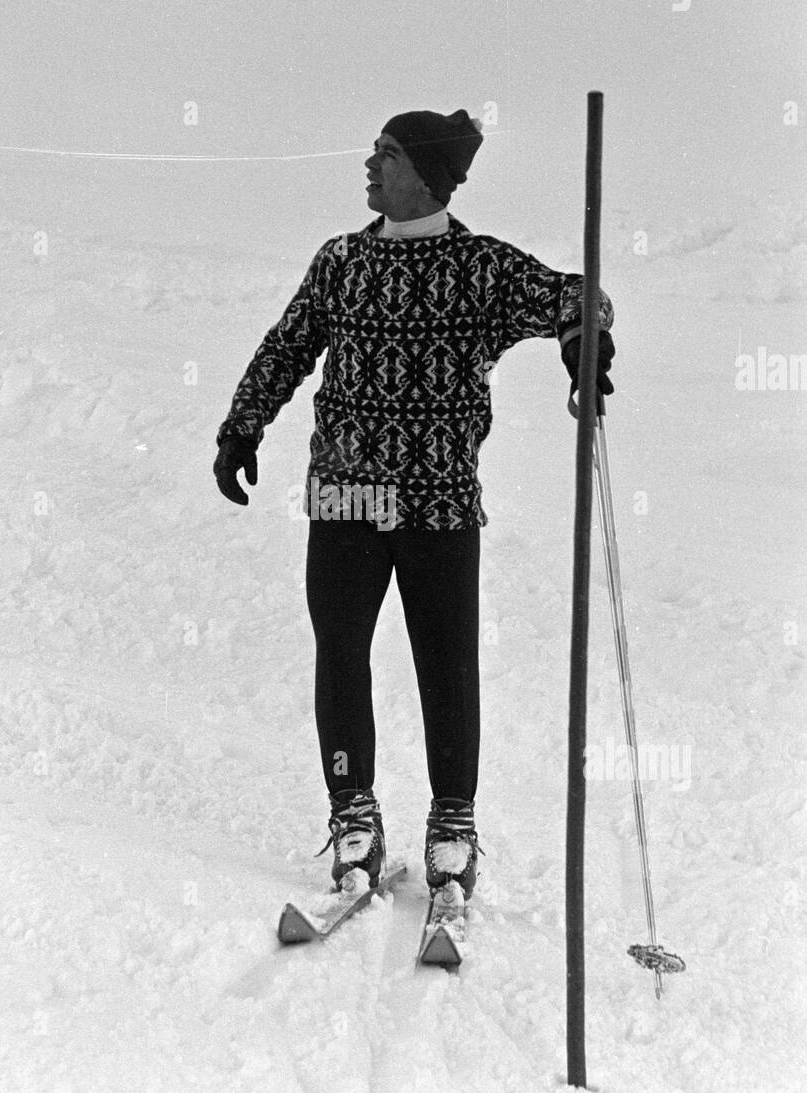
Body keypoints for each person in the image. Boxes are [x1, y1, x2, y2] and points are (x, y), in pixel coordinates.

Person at [214, 108, 614, 904]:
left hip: (438, 504)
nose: (370, 164)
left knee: (447, 666)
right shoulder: (340, 261)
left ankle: (454, 829)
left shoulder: (483, 269)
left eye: (387, 154)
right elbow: (288, 344)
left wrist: (583, 346)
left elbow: (582, 296)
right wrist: (242, 426)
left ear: (426, 176)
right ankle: (353, 813)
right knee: (341, 654)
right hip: (346, 496)